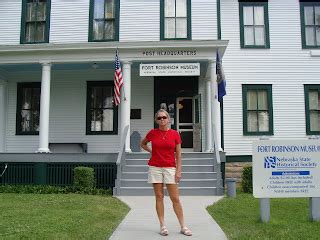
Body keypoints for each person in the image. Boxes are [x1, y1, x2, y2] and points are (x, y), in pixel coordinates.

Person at [140, 109, 192, 236]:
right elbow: (143, 144)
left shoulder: (175, 134)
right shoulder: (152, 133)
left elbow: (179, 154)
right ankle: (162, 225)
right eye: (159, 118)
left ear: (168, 119)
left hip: (170, 167)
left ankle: (183, 226)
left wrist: (179, 170)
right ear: (156, 120)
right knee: (159, 197)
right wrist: (152, 151)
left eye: (164, 117)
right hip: (155, 167)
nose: (162, 120)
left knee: (175, 198)